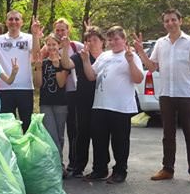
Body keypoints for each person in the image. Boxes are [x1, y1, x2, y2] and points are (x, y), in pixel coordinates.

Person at [134, 9, 190, 186]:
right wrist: (140, 52)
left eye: (173, 20)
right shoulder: (161, 43)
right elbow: (152, 68)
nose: (170, 23)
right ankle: (167, 169)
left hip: (186, 94)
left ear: (180, 21)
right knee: (168, 134)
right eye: (167, 21)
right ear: (164, 24)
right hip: (166, 94)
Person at [81, 26, 144, 184]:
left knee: (120, 141)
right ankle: (100, 169)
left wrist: (130, 62)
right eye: (110, 39)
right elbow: (91, 76)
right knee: (99, 140)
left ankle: (120, 171)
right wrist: (85, 60)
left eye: (117, 39)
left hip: (121, 107)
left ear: (124, 40)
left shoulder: (131, 55)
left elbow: (138, 79)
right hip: (100, 105)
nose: (113, 42)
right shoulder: (104, 56)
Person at [0, 9, 41, 132]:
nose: (14, 22)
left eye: (17, 19)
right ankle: (10, 151)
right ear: (6, 22)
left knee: (26, 125)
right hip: (4, 88)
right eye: (11, 19)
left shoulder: (29, 38)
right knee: (7, 126)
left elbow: (36, 55)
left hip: (25, 88)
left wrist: (35, 34)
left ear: (22, 22)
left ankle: (25, 151)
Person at [33, 34, 73, 171]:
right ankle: (56, 166)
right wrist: (38, 68)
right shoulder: (42, 62)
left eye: (54, 45)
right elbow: (37, 84)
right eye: (48, 45)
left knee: (60, 136)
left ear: (59, 46)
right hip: (45, 103)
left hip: (61, 103)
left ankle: (59, 162)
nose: (51, 48)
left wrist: (57, 67)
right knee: (50, 135)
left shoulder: (64, 62)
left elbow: (61, 83)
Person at [68, 26, 104, 178]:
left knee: (100, 134)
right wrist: (64, 48)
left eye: (95, 40)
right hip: (83, 99)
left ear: (102, 42)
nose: (91, 43)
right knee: (81, 133)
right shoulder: (79, 56)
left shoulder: (107, 57)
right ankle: (78, 166)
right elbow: (66, 64)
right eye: (88, 40)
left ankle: (99, 168)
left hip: (103, 100)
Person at [53, 18, 85, 171]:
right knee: (58, 130)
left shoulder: (76, 46)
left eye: (62, 30)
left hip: (74, 92)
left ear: (68, 31)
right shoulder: (51, 46)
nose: (60, 33)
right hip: (57, 94)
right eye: (57, 30)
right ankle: (58, 162)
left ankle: (74, 162)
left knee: (74, 128)